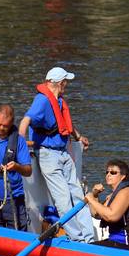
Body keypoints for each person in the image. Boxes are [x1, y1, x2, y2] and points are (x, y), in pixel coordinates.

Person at [18, 66, 94, 242]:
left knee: (77, 195)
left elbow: (64, 125)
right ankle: (77, 238)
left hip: (63, 153)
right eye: (65, 82)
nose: (66, 85)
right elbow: (26, 120)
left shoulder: (59, 100)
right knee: (63, 200)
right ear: (59, 83)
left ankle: (89, 238)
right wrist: (19, 143)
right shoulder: (42, 101)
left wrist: (79, 137)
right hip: (48, 155)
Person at [85, 159, 129, 251]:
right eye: (107, 172)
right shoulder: (113, 196)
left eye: (113, 172)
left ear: (123, 176)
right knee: (87, 247)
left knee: (86, 249)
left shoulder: (127, 192)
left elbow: (111, 216)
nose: (108, 175)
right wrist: (95, 195)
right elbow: (97, 214)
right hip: (116, 242)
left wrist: (91, 200)